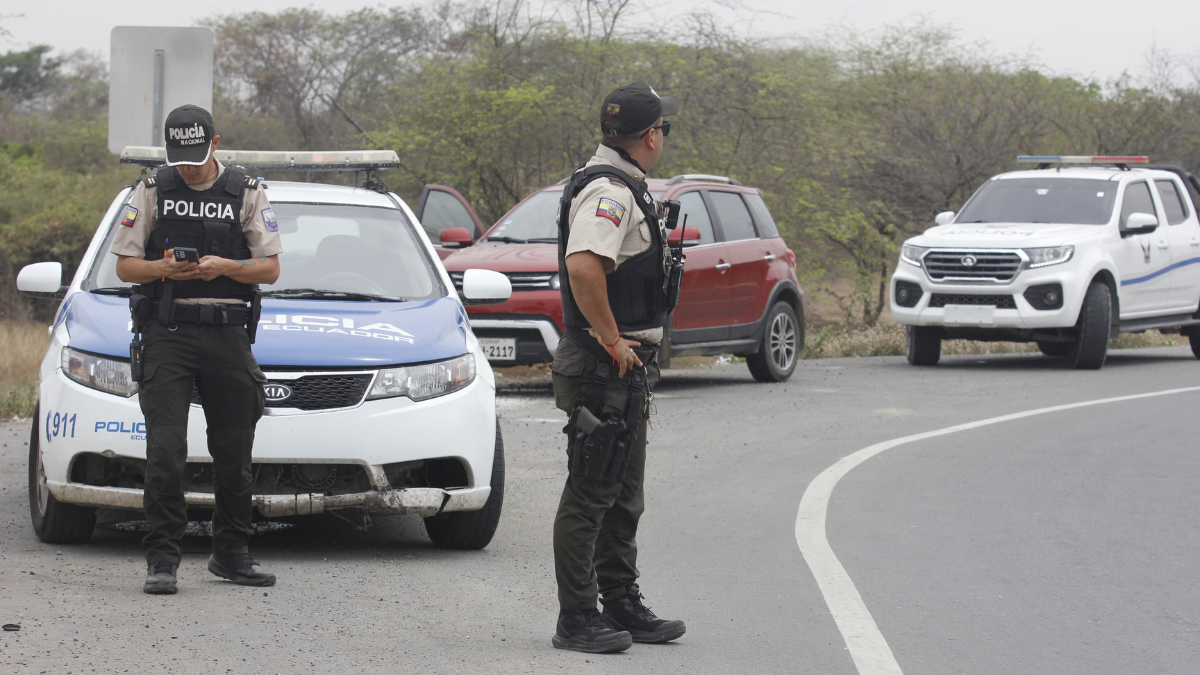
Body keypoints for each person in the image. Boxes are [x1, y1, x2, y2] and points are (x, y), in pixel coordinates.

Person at [112, 104, 282, 595]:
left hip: (227, 334)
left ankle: (231, 555)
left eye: (197, 154)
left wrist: (223, 267)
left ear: (216, 143)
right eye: (179, 157)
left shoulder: (247, 192)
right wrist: (163, 268)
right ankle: (162, 560)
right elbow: (125, 266)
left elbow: (269, 269)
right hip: (168, 332)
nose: (188, 167)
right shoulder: (151, 190)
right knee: (165, 450)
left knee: (234, 450)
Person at [550, 81, 687, 653]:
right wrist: (611, 339)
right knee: (591, 492)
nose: (663, 137)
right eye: (663, 128)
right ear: (650, 135)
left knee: (623, 493)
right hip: (606, 362)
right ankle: (577, 617)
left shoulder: (625, 184)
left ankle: (621, 602)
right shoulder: (609, 190)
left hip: (624, 365)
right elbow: (584, 268)